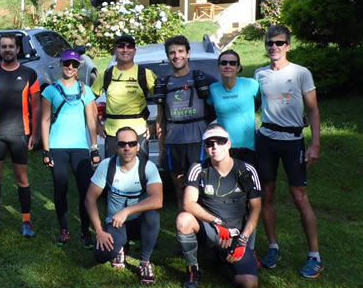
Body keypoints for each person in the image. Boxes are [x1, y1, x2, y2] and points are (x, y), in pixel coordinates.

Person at [254, 24, 323, 278]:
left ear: (288, 46)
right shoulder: (259, 74)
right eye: (269, 43)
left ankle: (315, 255)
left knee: (299, 197)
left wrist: (315, 143)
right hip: (266, 139)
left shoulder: (301, 73)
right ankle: (273, 248)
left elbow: (313, 110)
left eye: (279, 43)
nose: (274, 47)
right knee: (267, 194)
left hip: (293, 141)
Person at [175, 124, 262, 288]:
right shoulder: (198, 169)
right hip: (211, 229)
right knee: (183, 219)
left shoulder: (247, 170)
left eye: (220, 141)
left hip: (237, 234)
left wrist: (243, 240)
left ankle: (224, 260)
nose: (215, 146)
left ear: (229, 143)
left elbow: (256, 208)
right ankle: (193, 270)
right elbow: (188, 203)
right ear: (204, 147)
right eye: (209, 143)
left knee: (250, 285)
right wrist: (216, 222)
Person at [0, 33, 41, 237]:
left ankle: (26, 220)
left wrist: (35, 133)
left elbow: (36, 106)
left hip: (20, 133)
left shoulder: (29, 74)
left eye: (11, 46)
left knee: (22, 178)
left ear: (17, 49)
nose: (7, 50)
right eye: (3, 47)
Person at [85, 127, 163, 284]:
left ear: (138, 146)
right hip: (116, 223)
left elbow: (158, 200)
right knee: (101, 255)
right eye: (122, 144)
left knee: (152, 215)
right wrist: (99, 231)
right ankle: (120, 247)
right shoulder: (107, 165)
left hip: (140, 223)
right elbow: (90, 198)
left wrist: (127, 211)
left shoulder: (148, 167)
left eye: (132, 143)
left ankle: (145, 262)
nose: (127, 148)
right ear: (116, 146)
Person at [40, 49, 101, 247]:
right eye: (67, 63)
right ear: (61, 64)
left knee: (85, 190)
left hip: (80, 148)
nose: (70, 67)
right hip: (57, 146)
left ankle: (85, 231)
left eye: (74, 64)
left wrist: (94, 147)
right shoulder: (50, 90)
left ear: (78, 67)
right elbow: (45, 121)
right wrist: (46, 149)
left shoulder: (85, 90)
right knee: (61, 187)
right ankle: (64, 230)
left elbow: (92, 120)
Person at [154, 34, 215, 205]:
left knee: (201, 189)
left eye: (181, 51)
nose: (176, 56)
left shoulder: (202, 79)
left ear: (188, 53)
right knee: (179, 188)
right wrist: (160, 149)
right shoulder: (164, 83)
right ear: (168, 56)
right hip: (174, 141)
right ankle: (184, 230)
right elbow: (161, 118)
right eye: (172, 52)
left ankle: (204, 229)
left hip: (198, 139)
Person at [92, 34, 156, 161]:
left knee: (139, 173)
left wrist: (155, 126)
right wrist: (97, 124)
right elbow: (89, 100)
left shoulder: (145, 74)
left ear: (134, 51)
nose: (125, 50)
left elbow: (164, 101)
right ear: (115, 50)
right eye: (121, 46)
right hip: (112, 133)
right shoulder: (106, 74)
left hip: (138, 132)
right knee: (114, 174)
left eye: (129, 46)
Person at [208, 49, 260, 166]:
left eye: (232, 63)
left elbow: (265, 101)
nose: (228, 66)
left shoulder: (251, 85)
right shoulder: (213, 89)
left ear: (238, 67)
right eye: (224, 63)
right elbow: (209, 109)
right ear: (218, 66)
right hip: (224, 147)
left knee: (249, 183)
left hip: (249, 148)